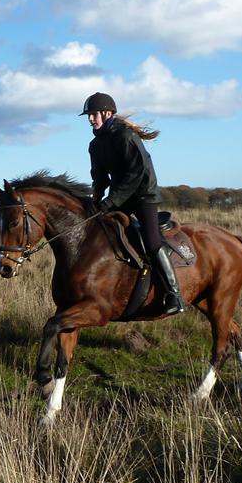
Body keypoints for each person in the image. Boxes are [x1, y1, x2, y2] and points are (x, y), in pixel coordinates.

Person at [82, 91, 185, 315]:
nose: (90, 119)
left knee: (151, 241)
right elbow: (99, 177)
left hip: (142, 195)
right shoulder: (95, 145)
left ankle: (174, 295)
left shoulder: (125, 136)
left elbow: (135, 175)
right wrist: (96, 200)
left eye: (93, 114)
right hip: (120, 197)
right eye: (88, 115)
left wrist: (112, 201)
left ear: (107, 113)